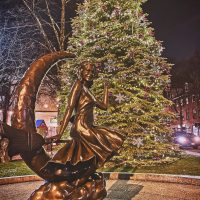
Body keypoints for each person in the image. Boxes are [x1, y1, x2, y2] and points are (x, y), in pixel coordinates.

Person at [41, 61, 127, 185]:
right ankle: (81, 179)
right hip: (81, 127)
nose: (90, 73)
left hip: (88, 126)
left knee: (97, 153)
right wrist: (60, 133)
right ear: (80, 71)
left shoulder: (88, 90)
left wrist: (106, 89)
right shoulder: (78, 85)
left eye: (92, 71)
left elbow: (104, 106)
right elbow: (69, 109)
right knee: (107, 143)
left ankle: (81, 178)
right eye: (87, 70)